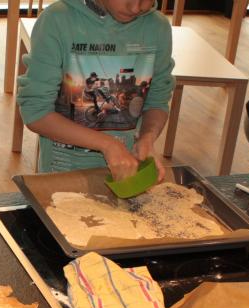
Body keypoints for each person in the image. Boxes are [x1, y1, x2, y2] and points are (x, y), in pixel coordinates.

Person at [16, 0, 175, 181]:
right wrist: (107, 144)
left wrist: (147, 137)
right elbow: (36, 113)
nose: (137, 7)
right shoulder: (57, 21)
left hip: (128, 170)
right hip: (64, 172)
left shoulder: (157, 28)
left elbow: (157, 100)